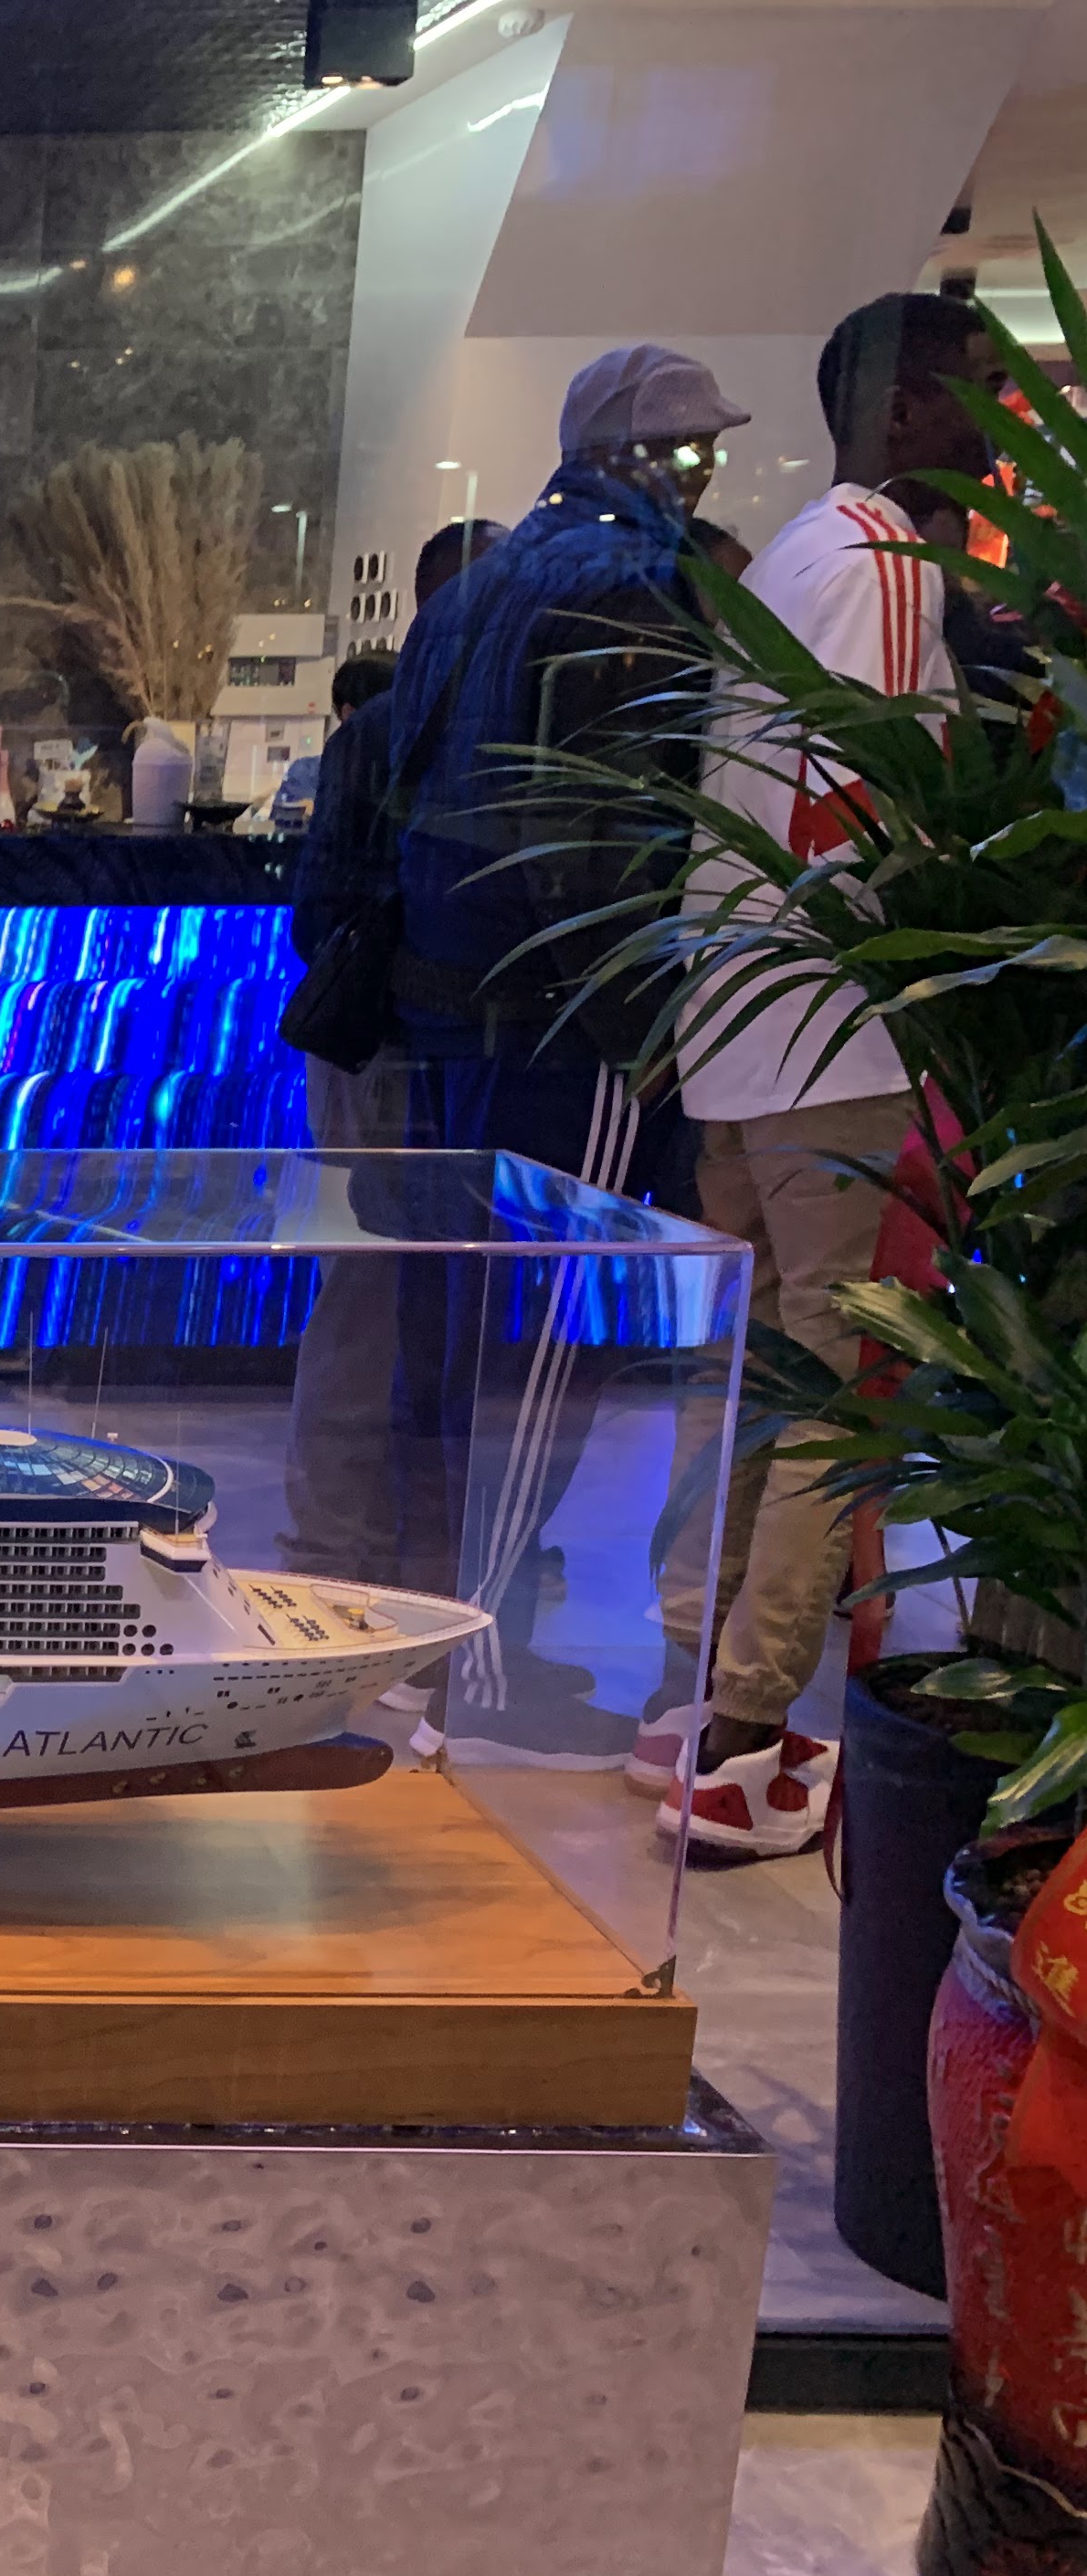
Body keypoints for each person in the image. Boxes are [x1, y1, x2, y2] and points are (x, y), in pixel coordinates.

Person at [641, 291, 997, 1860]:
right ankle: (743, 1730)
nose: (1004, 421)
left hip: (742, 1030)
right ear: (905, 408)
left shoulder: (794, 553)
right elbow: (858, 814)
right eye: (983, 389)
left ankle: (692, 1688)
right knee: (831, 1384)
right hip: (833, 1033)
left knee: (750, 1374)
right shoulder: (886, 564)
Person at [377, 345, 741, 1768]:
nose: (700, 472)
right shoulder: (626, 581)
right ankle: (475, 1663)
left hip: (461, 998)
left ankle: (438, 1639)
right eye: (686, 448)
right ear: (632, 454)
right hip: (563, 1004)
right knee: (536, 1342)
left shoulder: (487, 575)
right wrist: (640, 1017)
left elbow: (412, 780)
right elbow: (615, 824)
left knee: (464, 1328)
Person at [270, 520, 495, 1591]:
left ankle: (353, 1541)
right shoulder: (422, 728)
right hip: (393, 1054)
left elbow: (317, 915)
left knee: (369, 1295)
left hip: (383, 1050)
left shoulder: (391, 727)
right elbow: (325, 917)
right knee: (373, 1297)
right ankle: (345, 1546)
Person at [269, 653, 396, 835]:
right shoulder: (309, 777)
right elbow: (285, 839)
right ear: (351, 714)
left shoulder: (412, 773)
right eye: (387, 710)